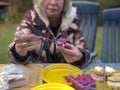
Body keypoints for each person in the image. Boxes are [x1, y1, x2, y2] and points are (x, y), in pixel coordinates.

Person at [8, 0, 91, 68]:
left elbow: (85, 54)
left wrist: (79, 57)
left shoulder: (72, 20)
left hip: (64, 75)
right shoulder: (30, 19)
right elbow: (16, 58)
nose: (53, 2)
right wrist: (19, 50)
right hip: (38, 74)